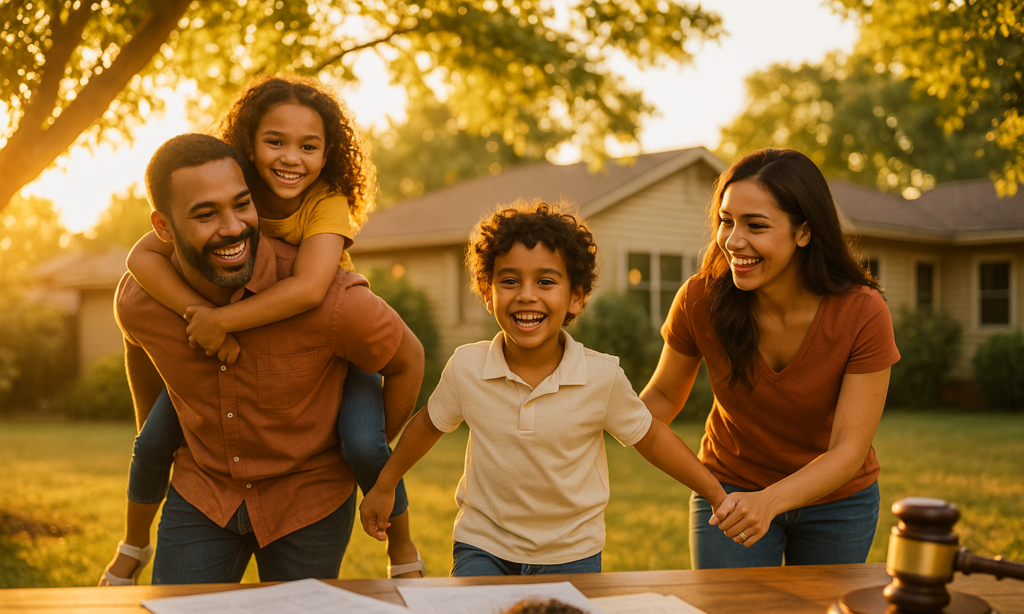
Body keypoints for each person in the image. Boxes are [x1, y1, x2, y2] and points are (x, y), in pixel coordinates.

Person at [101, 76, 423, 585]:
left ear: (327, 153)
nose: (290, 158)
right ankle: (131, 545)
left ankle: (403, 550)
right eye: (275, 142)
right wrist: (195, 316)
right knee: (151, 441)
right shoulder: (153, 285)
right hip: (204, 493)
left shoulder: (326, 216)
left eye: (308, 146)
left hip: (312, 482)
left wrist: (221, 322)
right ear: (248, 148)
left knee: (365, 446)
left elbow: (310, 290)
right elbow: (139, 263)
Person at [358, 201, 727, 577]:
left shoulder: (601, 376)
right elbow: (428, 426)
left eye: (546, 282)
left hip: (571, 552)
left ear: (576, 296)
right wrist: (385, 485)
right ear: (488, 293)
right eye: (510, 281)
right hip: (483, 544)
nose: (527, 295)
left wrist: (716, 494)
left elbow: (652, 438)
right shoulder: (467, 367)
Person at [639, 148, 900, 569]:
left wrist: (770, 502)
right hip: (730, 489)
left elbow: (849, 448)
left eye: (756, 226)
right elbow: (662, 401)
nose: (733, 241)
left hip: (837, 502)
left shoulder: (861, 311)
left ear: (804, 232)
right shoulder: (699, 299)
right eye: (726, 221)